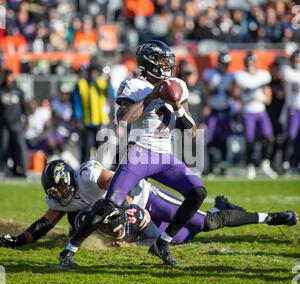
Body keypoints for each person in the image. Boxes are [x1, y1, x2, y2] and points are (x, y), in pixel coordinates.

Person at [61, 40, 207, 266]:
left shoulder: (178, 84)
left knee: (198, 193)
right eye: (161, 60)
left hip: (164, 156)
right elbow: (124, 117)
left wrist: (177, 105)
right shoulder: (133, 86)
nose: (167, 64)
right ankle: (69, 251)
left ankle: (163, 242)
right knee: (110, 205)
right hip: (140, 153)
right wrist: (152, 97)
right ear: (148, 63)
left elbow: (192, 131)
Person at [0, 159, 296, 265]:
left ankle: (269, 217)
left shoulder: (89, 176)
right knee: (180, 238)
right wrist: (19, 239)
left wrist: (133, 207)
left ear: (68, 182)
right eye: (54, 193)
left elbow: (121, 184)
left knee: (207, 224)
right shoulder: (62, 201)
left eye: (59, 190)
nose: (58, 197)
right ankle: (221, 207)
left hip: (146, 199)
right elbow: (43, 224)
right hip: (131, 218)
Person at [234, 52, 277, 179]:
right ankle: (250, 166)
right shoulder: (240, 76)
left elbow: (268, 98)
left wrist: (261, 97)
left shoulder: (263, 75)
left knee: (269, 138)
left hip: (261, 110)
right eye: (249, 62)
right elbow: (235, 93)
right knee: (249, 141)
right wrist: (242, 97)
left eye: (253, 62)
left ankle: (265, 163)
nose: (251, 65)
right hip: (247, 112)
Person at [202, 51, 234, 175]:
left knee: (224, 139)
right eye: (223, 63)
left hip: (225, 111)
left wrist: (230, 92)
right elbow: (205, 92)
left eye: (226, 64)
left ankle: (222, 166)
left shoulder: (230, 76)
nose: (225, 66)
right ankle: (208, 167)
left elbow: (233, 94)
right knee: (208, 138)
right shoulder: (210, 74)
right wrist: (212, 87)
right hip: (212, 110)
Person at [0, 69, 28, 177]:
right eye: (7, 76)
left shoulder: (18, 91)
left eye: (10, 76)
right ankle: (4, 169)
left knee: (19, 146)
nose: (8, 78)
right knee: (4, 147)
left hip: (16, 124)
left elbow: (23, 108)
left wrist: (26, 121)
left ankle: (22, 169)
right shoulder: (1, 90)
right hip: (4, 125)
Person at [280, 50, 300, 172]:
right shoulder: (287, 70)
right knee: (290, 136)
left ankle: (296, 162)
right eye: (296, 59)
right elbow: (287, 76)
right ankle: (285, 161)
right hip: (292, 108)